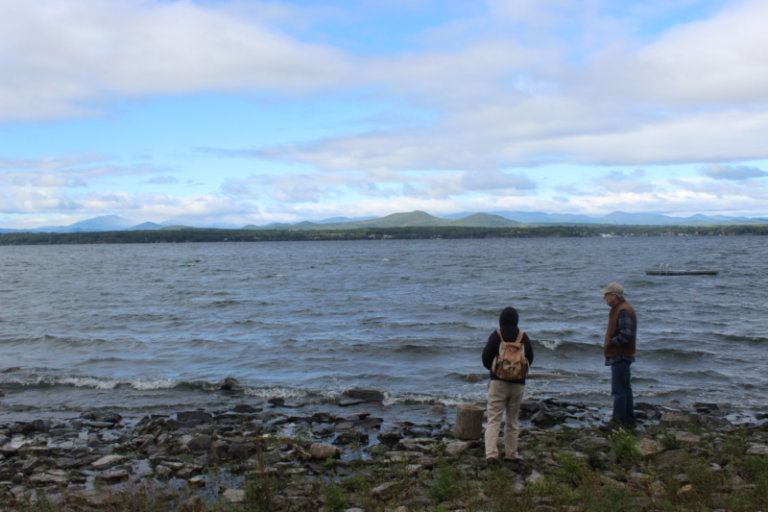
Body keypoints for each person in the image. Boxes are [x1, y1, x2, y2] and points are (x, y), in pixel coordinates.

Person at [481, 306, 534, 463]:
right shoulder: (523, 337)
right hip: (518, 384)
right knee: (512, 421)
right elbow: (530, 358)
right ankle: (511, 454)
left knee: (494, 419)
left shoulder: (497, 335)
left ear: (501, 320)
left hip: (498, 383)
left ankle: (491, 454)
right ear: (516, 320)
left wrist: (495, 371)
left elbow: (485, 358)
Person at [601, 282, 637, 427]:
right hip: (622, 354)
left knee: (619, 390)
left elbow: (626, 335)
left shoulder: (623, 310)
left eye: (606, 295)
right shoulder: (621, 308)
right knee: (625, 388)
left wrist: (611, 343)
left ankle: (619, 420)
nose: (604, 298)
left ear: (614, 296)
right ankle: (628, 419)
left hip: (620, 354)